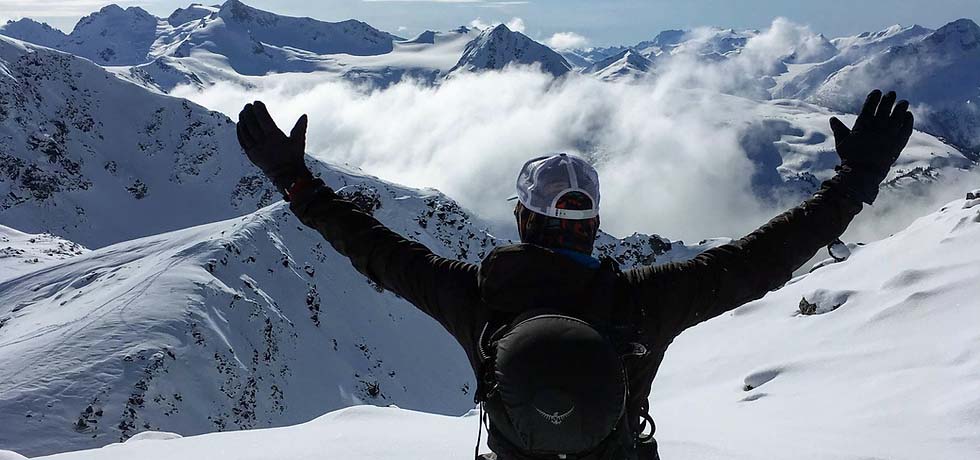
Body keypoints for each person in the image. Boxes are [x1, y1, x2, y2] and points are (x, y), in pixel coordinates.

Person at [235, 89, 914, 460]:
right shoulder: (647, 300)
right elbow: (763, 260)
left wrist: (295, 182)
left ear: (521, 221)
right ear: (592, 226)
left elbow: (371, 246)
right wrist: (854, 184)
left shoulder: (473, 297)